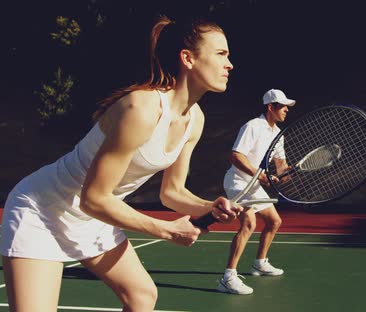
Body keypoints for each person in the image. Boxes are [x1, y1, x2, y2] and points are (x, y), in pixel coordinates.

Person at [1, 15, 242, 311]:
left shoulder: (195, 121)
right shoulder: (140, 108)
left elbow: (172, 192)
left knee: (142, 297)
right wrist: (166, 230)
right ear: (188, 59)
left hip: (95, 217)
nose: (229, 64)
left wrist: (210, 207)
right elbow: (93, 198)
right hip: (43, 210)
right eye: (221, 54)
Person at [216, 88, 295, 295]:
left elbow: (281, 167)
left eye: (288, 106)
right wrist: (260, 175)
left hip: (254, 185)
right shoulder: (253, 126)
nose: (287, 109)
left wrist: (286, 173)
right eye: (283, 105)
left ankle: (259, 263)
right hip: (238, 182)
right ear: (270, 107)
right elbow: (235, 157)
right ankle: (228, 277)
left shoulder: (278, 134)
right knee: (249, 223)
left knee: (274, 221)